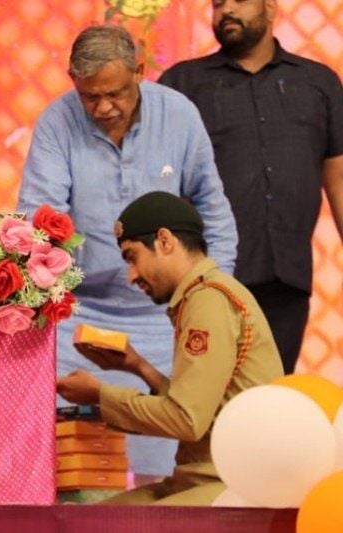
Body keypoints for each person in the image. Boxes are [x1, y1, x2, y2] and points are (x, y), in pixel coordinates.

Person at [18, 24, 238, 476]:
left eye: (114, 93)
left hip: (166, 316)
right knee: (73, 467)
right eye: (89, 96)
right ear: (72, 80)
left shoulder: (179, 115)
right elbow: (40, 225)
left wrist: (213, 298)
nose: (103, 108)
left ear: (139, 71)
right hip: (77, 315)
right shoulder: (57, 122)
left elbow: (213, 212)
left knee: (170, 465)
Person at [57, 191, 283, 505]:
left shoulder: (209, 300)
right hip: (199, 478)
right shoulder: (201, 296)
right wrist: (138, 366)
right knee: (89, 519)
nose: (131, 276)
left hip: (231, 484)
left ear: (165, 241)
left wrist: (99, 394)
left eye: (132, 257)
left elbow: (186, 420)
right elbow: (199, 408)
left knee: (106, 525)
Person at [158, 0, 343, 373]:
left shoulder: (318, 82)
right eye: (217, 4)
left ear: (270, 7)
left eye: (237, 0)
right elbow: (158, 185)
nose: (226, 10)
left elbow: (338, 178)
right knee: (202, 395)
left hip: (286, 278)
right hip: (208, 282)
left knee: (270, 397)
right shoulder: (182, 84)